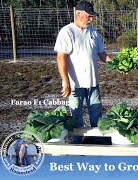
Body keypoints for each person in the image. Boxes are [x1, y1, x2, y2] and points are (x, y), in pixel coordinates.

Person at [54, 1, 111, 143]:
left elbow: (102, 54)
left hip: (93, 82)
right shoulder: (67, 31)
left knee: (96, 113)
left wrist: (118, 65)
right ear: (78, 13)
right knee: (76, 116)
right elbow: (61, 58)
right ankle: (77, 142)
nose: (91, 19)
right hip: (75, 85)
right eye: (89, 16)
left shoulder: (94, 33)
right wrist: (66, 82)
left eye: (92, 16)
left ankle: (97, 140)